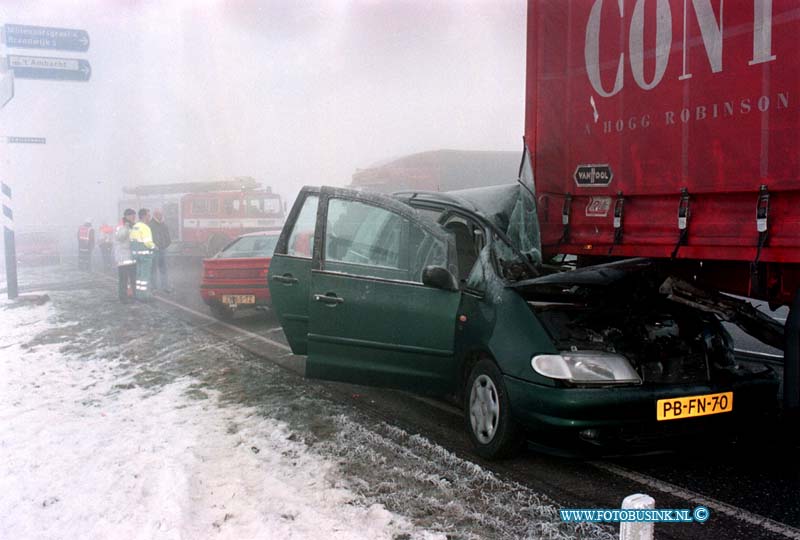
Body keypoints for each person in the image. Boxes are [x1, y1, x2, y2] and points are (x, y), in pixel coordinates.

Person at [129, 208, 155, 301]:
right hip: (145, 256)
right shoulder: (145, 228)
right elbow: (148, 242)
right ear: (144, 216)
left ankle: (137, 294)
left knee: (138, 275)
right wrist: (154, 247)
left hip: (135, 255)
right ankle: (144, 295)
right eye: (148, 215)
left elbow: (131, 241)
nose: (149, 217)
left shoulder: (135, 226)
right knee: (144, 276)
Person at [114, 209, 137, 303]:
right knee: (123, 279)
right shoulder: (121, 226)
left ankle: (133, 295)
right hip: (123, 257)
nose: (134, 218)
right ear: (127, 216)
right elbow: (120, 238)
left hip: (132, 257)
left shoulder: (133, 225)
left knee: (133, 279)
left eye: (134, 216)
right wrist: (127, 228)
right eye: (132, 216)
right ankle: (123, 297)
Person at [150, 208, 172, 291]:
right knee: (154, 269)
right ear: (155, 215)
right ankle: (154, 286)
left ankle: (164, 286)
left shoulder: (163, 224)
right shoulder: (151, 225)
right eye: (158, 214)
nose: (160, 216)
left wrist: (165, 244)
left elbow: (167, 237)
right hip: (155, 250)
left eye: (161, 214)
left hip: (162, 249)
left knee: (162, 268)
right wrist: (155, 246)